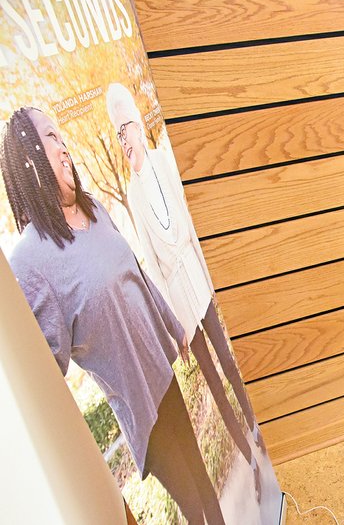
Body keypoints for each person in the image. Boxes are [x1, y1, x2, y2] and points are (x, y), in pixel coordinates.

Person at [1, 107, 225, 525]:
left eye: (61, 136)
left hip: (164, 376)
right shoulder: (29, 261)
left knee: (206, 491)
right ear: (30, 156)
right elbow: (43, 376)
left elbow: (136, 273)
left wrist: (174, 327)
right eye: (51, 137)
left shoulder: (95, 209)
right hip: (140, 409)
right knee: (194, 506)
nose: (64, 146)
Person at [104, 83, 264, 497]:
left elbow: (190, 223)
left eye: (127, 129)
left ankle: (255, 426)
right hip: (177, 297)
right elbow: (152, 267)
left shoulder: (163, 161)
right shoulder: (133, 193)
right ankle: (247, 457)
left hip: (197, 277)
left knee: (229, 362)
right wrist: (174, 326)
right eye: (118, 134)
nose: (124, 140)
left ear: (139, 126)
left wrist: (210, 279)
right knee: (212, 380)